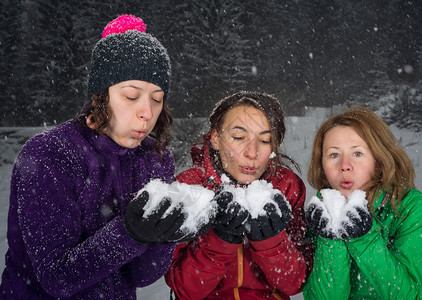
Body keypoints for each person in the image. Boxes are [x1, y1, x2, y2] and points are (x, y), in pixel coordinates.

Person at [0, 14, 194, 299]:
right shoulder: (48, 155)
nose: (148, 112)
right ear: (100, 96)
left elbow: (140, 276)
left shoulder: (155, 159)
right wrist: (130, 233)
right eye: (131, 95)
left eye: (157, 97)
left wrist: (163, 235)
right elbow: (56, 277)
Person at [165, 91, 313, 299]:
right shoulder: (189, 186)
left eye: (264, 140)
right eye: (239, 137)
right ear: (216, 138)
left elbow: (295, 283)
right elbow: (184, 288)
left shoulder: (287, 187)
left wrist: (272, 244)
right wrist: (218, 241)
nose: (252, 152)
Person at [303, 106, 422, 299]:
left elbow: (412, 296)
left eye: (357, 153)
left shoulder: (412, 208)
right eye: (334, 154)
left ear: (379, 158)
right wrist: (331, 241)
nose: (344, 166)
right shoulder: (322, 210)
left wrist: (363, 237)